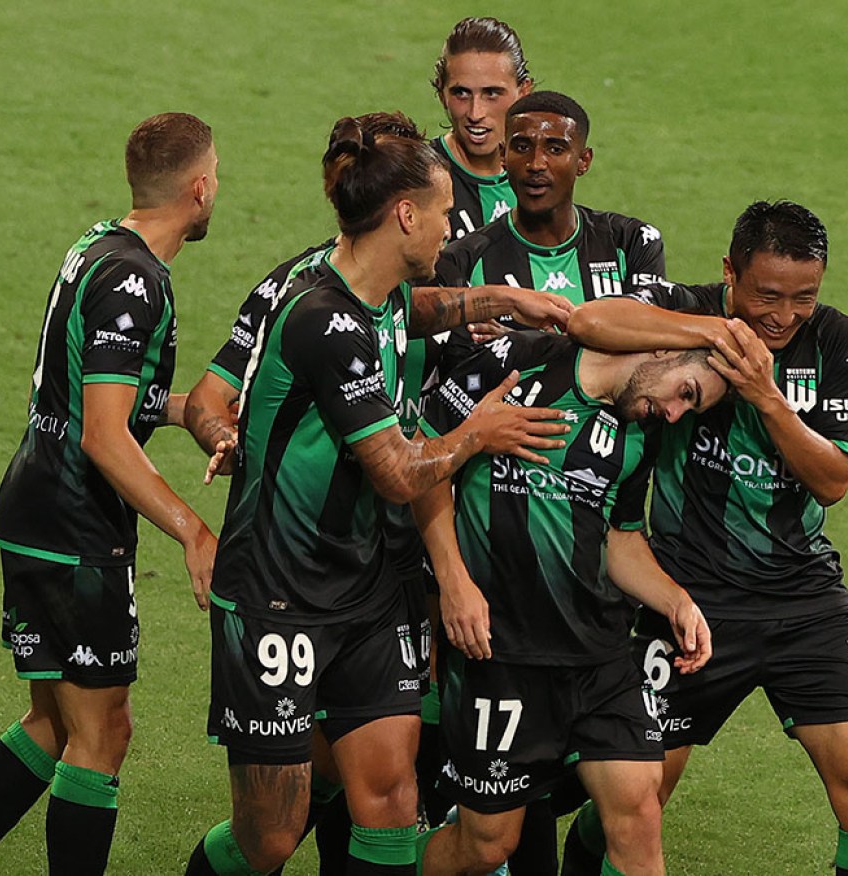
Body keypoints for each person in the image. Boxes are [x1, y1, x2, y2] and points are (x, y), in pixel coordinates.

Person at [184, 112, 577, 876]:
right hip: (277, 597)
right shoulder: (319, 319)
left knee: (392, 801)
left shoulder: (382, 291)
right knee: (269, 838)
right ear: (404, 215)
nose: (448, 224)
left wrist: (499, 298)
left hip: (366, 598)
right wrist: (477, 433)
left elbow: (418, 312)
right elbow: (395, 472)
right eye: (439, 211)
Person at [0, 112, 222, 876]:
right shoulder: (135, 280)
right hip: (74, 526)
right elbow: (104, 437)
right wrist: (192, 530)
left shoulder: (99, 245)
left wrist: (189, 412)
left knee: (53, 719)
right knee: (103, 732)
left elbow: (97, 397)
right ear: (200, 188)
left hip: (36, 510)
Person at [561, 201, 848, 876]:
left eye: (803, 297)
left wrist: (763, 394)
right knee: (635, 799)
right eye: (766, 296)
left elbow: (832, 480)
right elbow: (589, 321)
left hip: (803, 600)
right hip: (687, 598)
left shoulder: (837, 343)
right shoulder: (684, 310)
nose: (782, 316)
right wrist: (712, 332)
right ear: (730, 272)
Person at [411, 326, 724, 876]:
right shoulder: (522, 361)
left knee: (638, 812)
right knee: (487, 844)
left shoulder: (638, 432)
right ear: (665, 347)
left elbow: (620, 538)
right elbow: (424, 462)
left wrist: (677, 602)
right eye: (686, 392)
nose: (674, 414)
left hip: (598, 658)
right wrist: (453, 579)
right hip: (503, 654)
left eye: (688, 408)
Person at [436, 90, 667, 317]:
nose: (536, 164)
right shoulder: (462, 261)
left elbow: (649, 340)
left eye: (556, 149)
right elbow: (468, 353)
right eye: (522, 147)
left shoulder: (633, 242)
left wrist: (514, 339)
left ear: (583, 161)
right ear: (503, 156)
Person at [430, 16, 534, 240]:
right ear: (442, 95)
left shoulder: (539, 177)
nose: (475, 113)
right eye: (461, 93)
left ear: (523, 93)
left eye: (492, 93)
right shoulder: (417, 178)